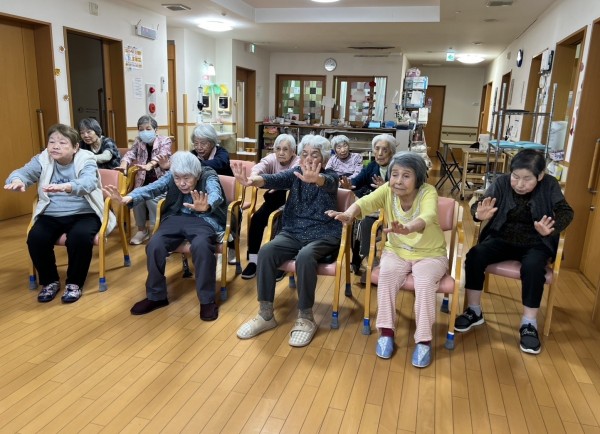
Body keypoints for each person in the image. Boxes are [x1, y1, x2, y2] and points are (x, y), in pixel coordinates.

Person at [327, 152, 446, 367]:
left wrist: (408, 228)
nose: (398, 180)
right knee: (387, 276)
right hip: (397, 250)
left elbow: (428, 216)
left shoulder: (428, 192)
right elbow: (365, 202)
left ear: (418, 178)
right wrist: (350, 214)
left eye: (406, 175)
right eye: (395, 174)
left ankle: (423, 340)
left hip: (430, 254)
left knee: (424, 283)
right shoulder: (388, 190)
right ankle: (386, 332)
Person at [454, 149, 573, 355]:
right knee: (475, 255)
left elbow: (566, 212)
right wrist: (478, 213)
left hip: (536, 242)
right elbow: (481, 205)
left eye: (527, 179)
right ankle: (474, 311)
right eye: (515, 177)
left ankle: (529, 324)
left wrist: (551, 228)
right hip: (502, 238)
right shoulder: (502, 182)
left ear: (540, 176)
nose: (519, 184)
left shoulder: (550, 184)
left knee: (533, 267)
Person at [232, 135, 341, 347]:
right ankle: (265, 314)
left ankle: (306, 317)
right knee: (266, 252)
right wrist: (252, 181)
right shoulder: (295, 173)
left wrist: (316, 179)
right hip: (293, 231)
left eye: (315, 155)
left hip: (324, 232)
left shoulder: (331, 176)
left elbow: (327, 183)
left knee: (305, 257)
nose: (308, 159)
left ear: (325, 159)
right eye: (305, 154)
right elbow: (273, 179)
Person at [103, 151, 228, 321]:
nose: (181, 183)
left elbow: (215, 194)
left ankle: (207, 301)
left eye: (187, 178)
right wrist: (129, 197)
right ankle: (156, 296)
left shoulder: (208, 175)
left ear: (197, 174)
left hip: (203, 219)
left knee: (201, 246)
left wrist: (206, 206)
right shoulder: (172, 176)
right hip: (176, 217)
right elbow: (153, 187)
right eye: (177, 178)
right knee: (155, 245)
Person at [4, 123, 116, 304]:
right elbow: (24, 172)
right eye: (52, 142)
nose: (55, 146)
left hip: (84, 212)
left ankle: (74, 283)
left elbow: (88, 182)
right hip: (52, 213)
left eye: (63, 143)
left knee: (79, 237)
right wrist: (18, 180)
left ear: (75, 147)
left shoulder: (86, 158)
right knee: (36, 238)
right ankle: (50, 281)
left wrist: (67, 186)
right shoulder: (43, 159)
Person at [241, 133, 301, 280]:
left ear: (293, 151)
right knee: (256, 219)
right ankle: (253, 261)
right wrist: (253, 177)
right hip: (274, 200)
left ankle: (281, 263)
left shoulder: (298, 161)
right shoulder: (271, 158)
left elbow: (289, 176)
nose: (281, 152)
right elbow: (260, 166)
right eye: (278, 148)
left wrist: (274, 184)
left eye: (285, 149)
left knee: (280, 226)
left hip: (292, 204)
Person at [340, 134, 396, 277]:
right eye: (377, 149)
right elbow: (358, 180)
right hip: (374, 210)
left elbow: (405, 191)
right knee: (361, 222)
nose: (380, 153)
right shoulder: (372, 166)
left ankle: (386, 262)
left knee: (369, 223)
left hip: (393, 210)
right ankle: (364, 259)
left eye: (385, 150)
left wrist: (387, 188)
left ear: (392, 152)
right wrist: (349, 184)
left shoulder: (398, 168)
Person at [117, 115, 172, 245]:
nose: (144, 132)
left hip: (160, 183)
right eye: (141, 129)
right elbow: (130, 154)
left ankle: (155, 229)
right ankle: (142, 230)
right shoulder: (138, 141)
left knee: (151, 198)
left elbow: (162, 155)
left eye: (148, 128)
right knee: (136, 196)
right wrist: (124, 165)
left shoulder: (165, 141)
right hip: (142, 182)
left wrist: (150, 165)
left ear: (156, 130)